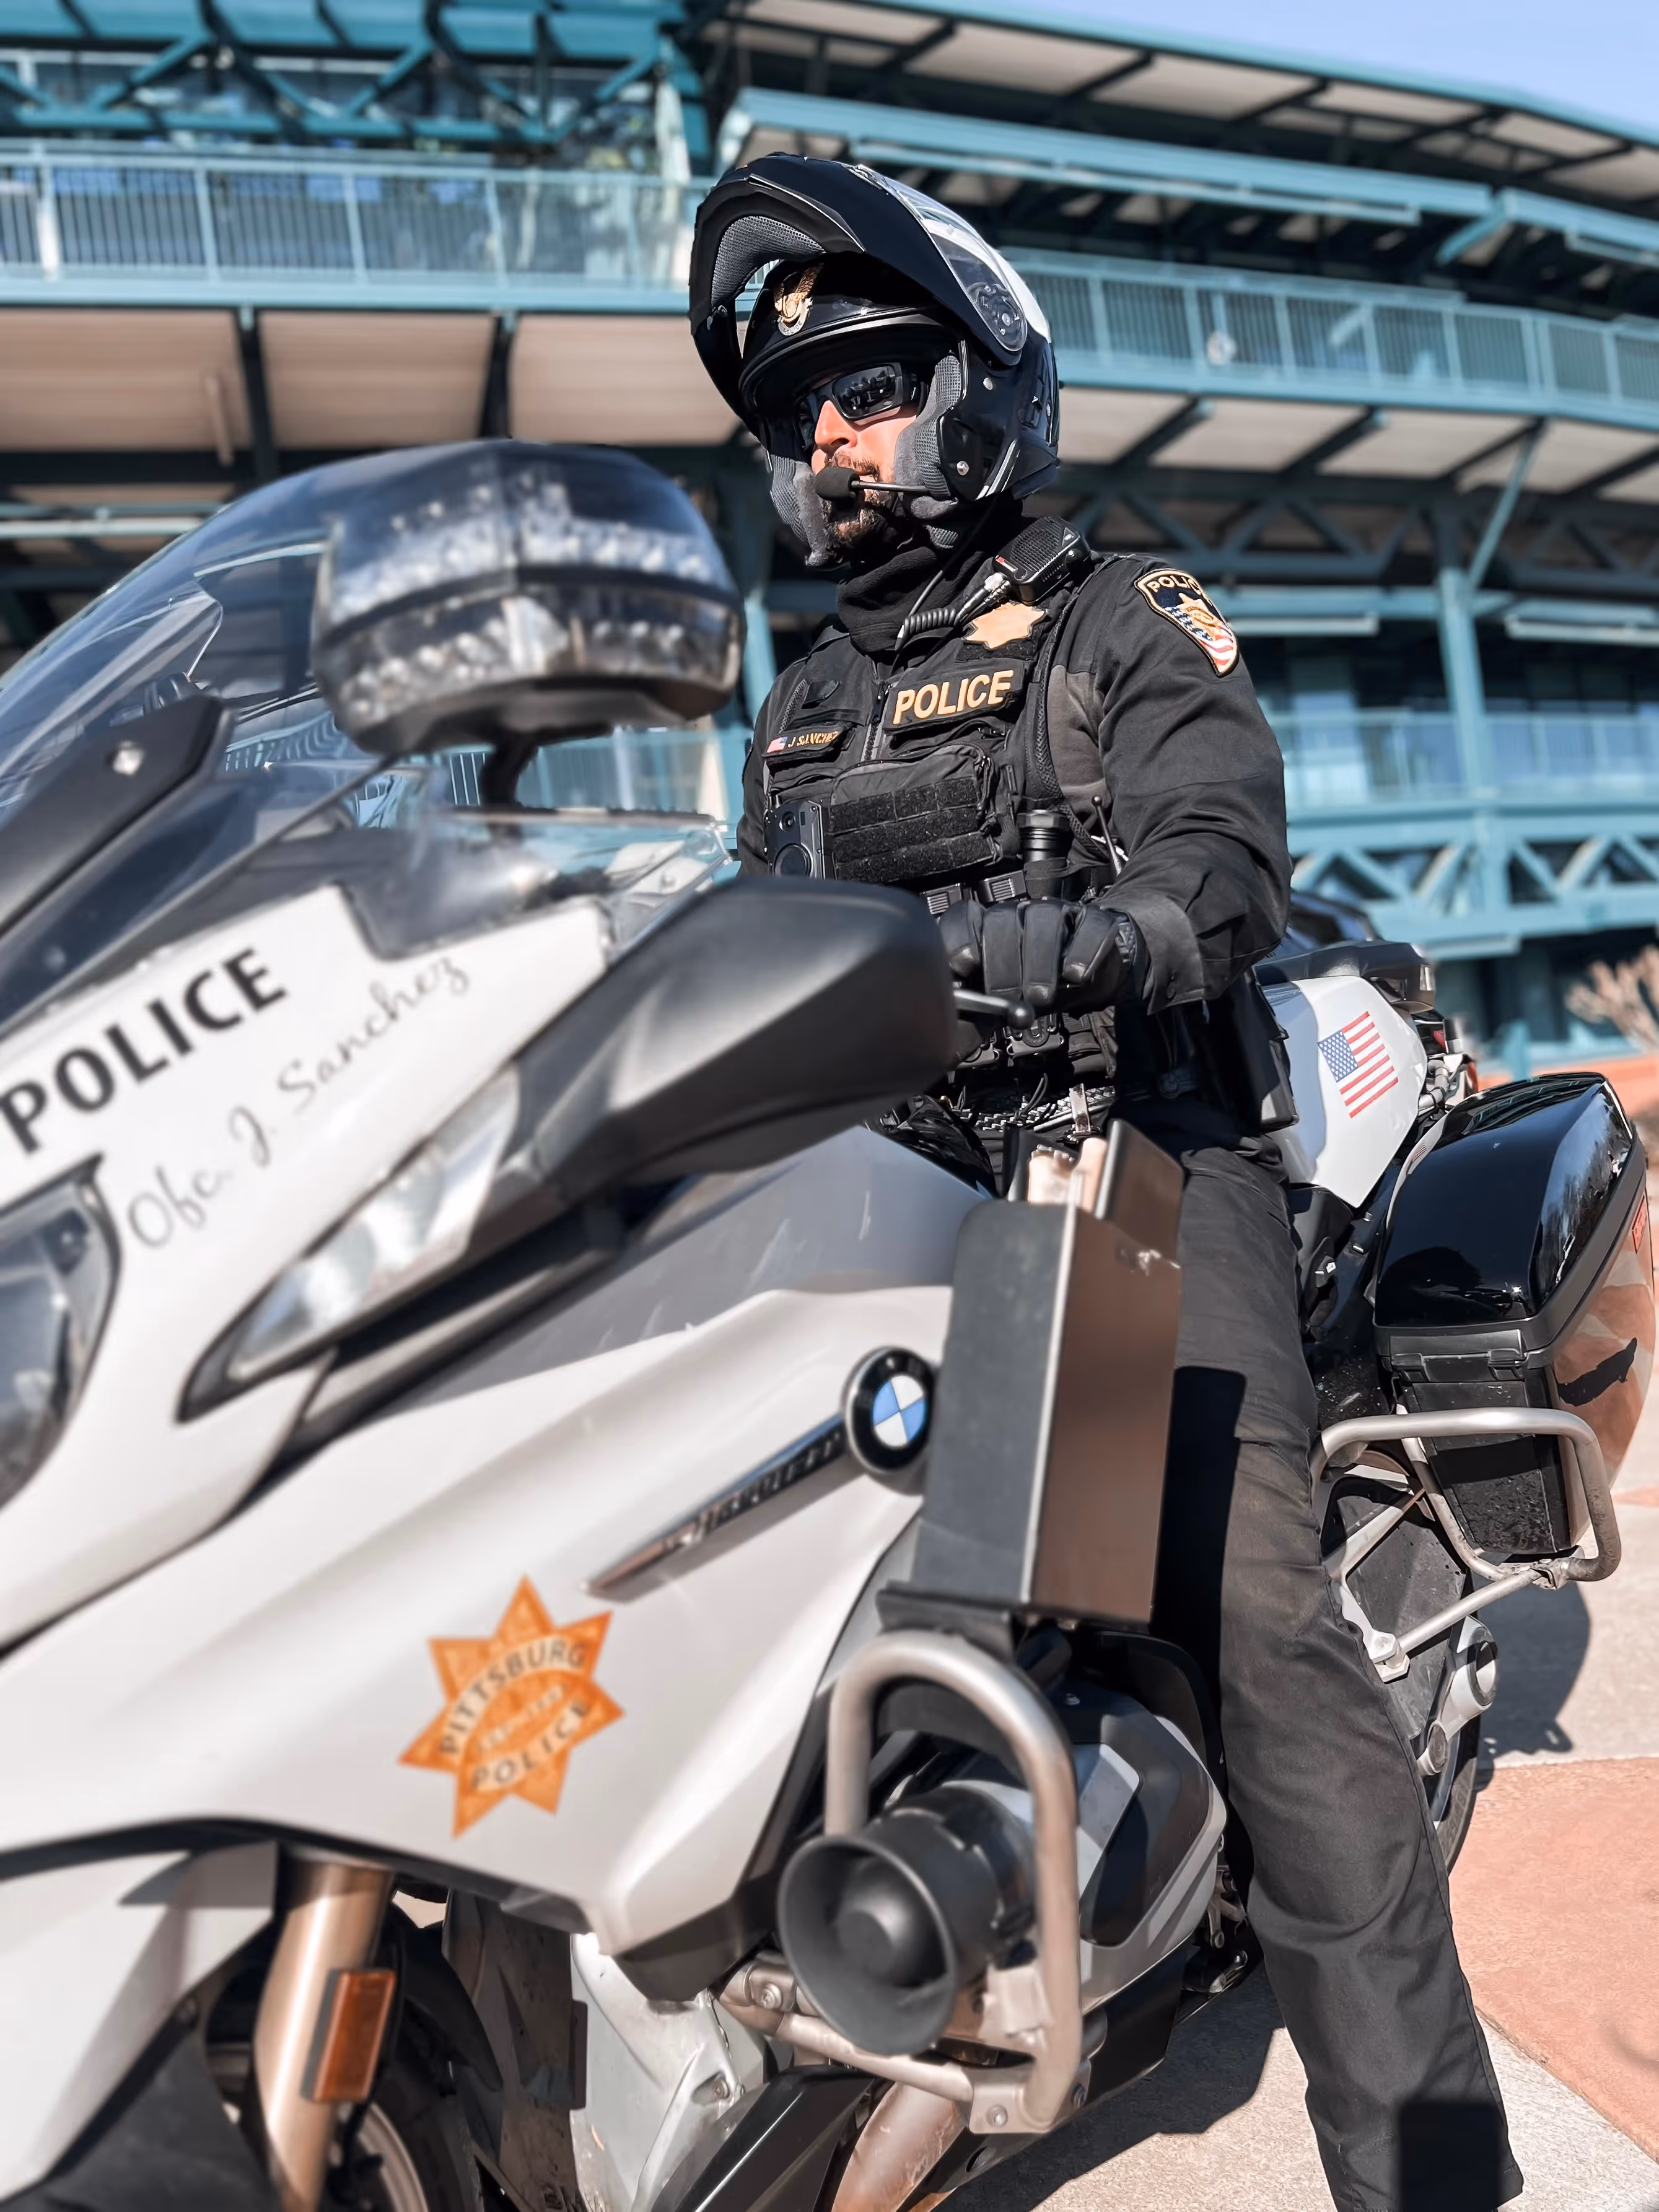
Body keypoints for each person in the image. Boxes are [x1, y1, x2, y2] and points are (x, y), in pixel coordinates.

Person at [689, 157, 1521, 2212]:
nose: (828, 437)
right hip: (882, 1183)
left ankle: (1424, 2163)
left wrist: (1100, 938)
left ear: (976, 391)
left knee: (1253, 1620)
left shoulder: (1118, 621)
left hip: (1130, 1150)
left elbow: (1222, 866)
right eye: (801, 414)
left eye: (868, 389)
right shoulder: (799, 711)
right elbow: (731, 938)